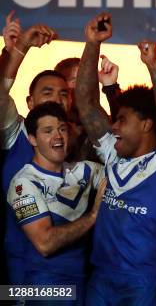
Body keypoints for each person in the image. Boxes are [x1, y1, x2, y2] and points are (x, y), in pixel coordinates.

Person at [75, 13, 156, 305]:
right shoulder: (113, 152)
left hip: (141, 285)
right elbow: (87, 104)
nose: (113, 126)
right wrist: (92, 43)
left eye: (122, 120)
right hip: (100, 279)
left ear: (146, 124)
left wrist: (153, 66)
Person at [6, 102, 106, 303]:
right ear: (32, 139)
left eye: (62, 129)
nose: (58, 136)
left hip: (83, 280)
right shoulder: (23, 183)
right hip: (43, 284)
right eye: (48, 131)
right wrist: (94, 216)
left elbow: (124, 177)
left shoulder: (84, 170)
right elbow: (45, 243)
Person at [0, 14, 69, 285]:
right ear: (30, 102)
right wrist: (18, 50)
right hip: (19, 268)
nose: (57, 99)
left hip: (70, 269)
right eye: (47, 92)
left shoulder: (79, 140)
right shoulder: (14, 131)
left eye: (64, 93)